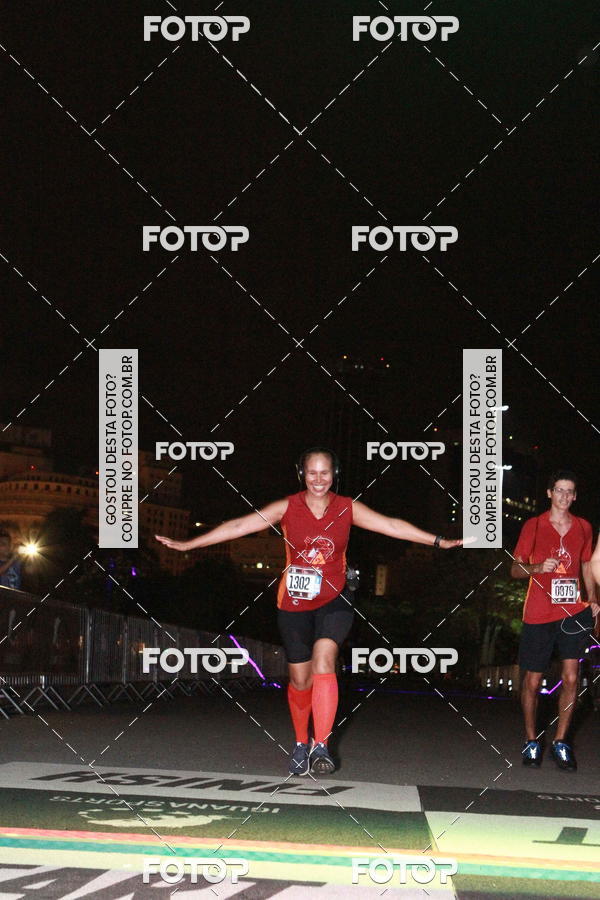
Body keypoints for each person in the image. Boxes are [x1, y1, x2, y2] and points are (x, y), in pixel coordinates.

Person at [156, 448, 462, 776]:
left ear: (334, 474)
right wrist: (188, 545)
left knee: (324, 660)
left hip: (335, 598)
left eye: (325, 472)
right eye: (312, 472)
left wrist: (438, 541)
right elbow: (239, 525)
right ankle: (302, 742)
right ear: (302, 474)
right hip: (295, 603)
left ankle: (321, 745)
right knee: (300, 681)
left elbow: (391, 525)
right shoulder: (286, 507)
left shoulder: (347, 507)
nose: (318, 479)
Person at [511, 470, 597, 771]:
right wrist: (537, 567)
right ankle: (531, 740)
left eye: (569, 491)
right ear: (549, 493)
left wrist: (593, 598)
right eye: (558, 490)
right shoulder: (533, 525)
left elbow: (586, 565)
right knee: (533, 681)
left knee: (572, 677)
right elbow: (515, 569)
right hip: (539, 612)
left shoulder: (584, 527)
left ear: (575, 496)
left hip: (572, 611)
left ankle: (561, 742)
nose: (564, 496)